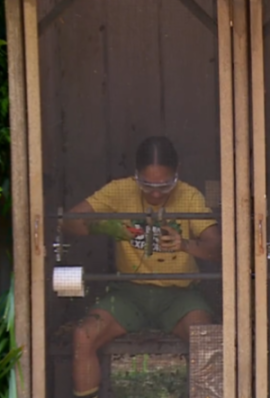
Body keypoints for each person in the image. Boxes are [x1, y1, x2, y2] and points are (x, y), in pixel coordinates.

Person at [64, 136, 221, 398]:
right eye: (147, 185)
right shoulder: (119, 190)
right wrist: (110, 226)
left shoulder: (189, 195)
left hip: (180, 294)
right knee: (83, 336)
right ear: (135, 175)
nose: (156, 193)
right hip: (129, 293)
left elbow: (218, 249)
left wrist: (184, 244)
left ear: (177, 172)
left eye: (165, 185)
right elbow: (68, 222)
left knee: (206, 340)